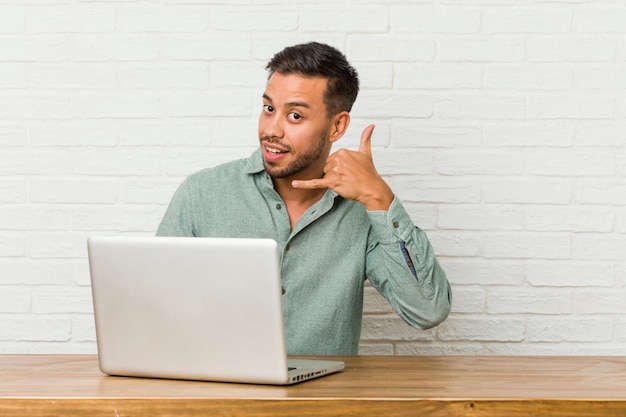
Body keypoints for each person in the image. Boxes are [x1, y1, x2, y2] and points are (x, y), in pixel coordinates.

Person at [156, 42, 452, 355]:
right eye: (269, 109)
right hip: (219, 395)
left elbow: (427, 311)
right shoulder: (202, 194)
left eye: (295, 116)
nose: (272, 129)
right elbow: (154, 305)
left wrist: (379, 197)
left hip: (323, 401)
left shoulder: (363, 213)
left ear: (337, 126)